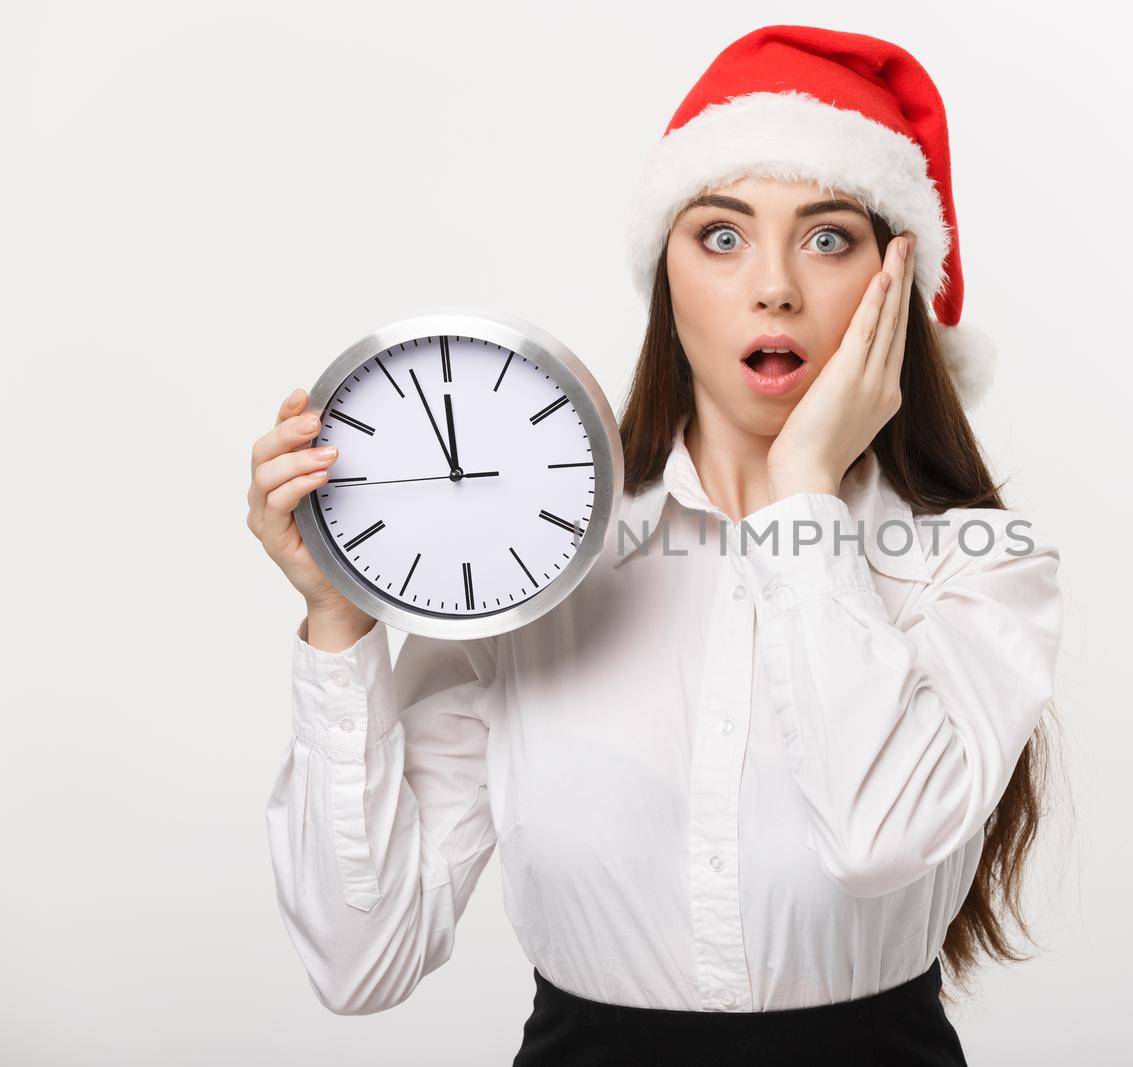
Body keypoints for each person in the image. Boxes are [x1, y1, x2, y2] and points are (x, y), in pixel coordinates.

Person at [247, 24, 1064, 1066]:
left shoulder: (977, 563)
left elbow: (874, 841)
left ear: (895, 283)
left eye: (828, 237)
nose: (774, 285)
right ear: (666, 273)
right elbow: (361, 960)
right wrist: (339, 618)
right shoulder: (534, 568)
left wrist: (803, 493)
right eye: (721, 235)